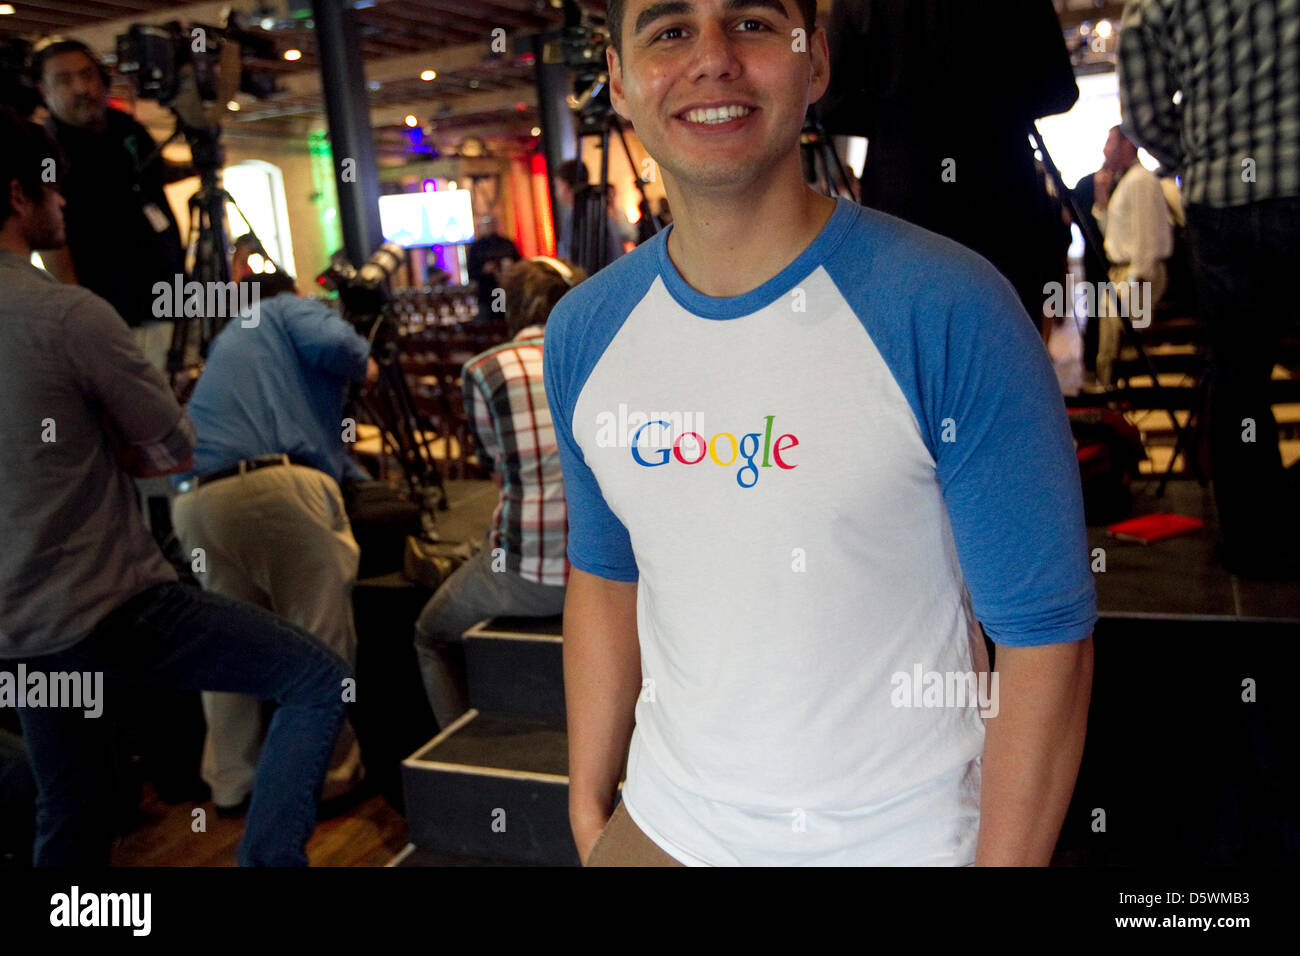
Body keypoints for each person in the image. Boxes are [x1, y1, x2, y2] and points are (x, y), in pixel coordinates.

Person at [544, 0, 1095, 867]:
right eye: (670, 30)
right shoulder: (585, 332)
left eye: (753, 24)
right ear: (618, 79)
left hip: (902, 844)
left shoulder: (950, 307)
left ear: (819, 63)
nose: (713, 59)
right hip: (659, 829)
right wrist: (587, 805)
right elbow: (605, 578)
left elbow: (1044, 638)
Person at [0, 106, 349, 866]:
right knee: (315, 677)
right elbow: (170, 448)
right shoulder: (66, 315)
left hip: (20, 632)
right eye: (55, 190)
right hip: (110, 606)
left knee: (75, 812)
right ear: (18, 197)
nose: (66, 205)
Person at [170, 271, 378, 816]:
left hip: (196, 502)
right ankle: (329, 779)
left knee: (230, 649)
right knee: (321, 633)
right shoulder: (284, 309)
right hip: (270, 491)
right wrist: (368, 363)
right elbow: (338, 345)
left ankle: (233, 782)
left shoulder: (229, 341)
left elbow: (296, 427)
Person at [1119, 0, 1300, 579]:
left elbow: (1144, 114)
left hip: (1221, 199)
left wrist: (1201, 157)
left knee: (1238, 377)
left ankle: (1253, 547)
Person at [817, 0, 1079, 326]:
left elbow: (834, 106)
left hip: (900, 195)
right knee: (1006, 344)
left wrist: (895, 119)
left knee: (911, 348)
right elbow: (1059, 89)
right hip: (1000, 190)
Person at [413, 256, 583, 728]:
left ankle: (460, 745)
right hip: (604, 571)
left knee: (427, 634)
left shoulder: (485, 370)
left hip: (531, 575)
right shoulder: (598, 352)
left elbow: (496, 475)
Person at [31, 37, 190, 372]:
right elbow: (50, 237)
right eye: (64, 80)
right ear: (44, 93)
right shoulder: (47, 149)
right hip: (117, 316)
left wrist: (196, 164)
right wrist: (77, 312)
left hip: (174, 299)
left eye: (88, 75)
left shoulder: (126, 127)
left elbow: (153, 171)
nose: (82, 88)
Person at [1091, 126, 1174, 388]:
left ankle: (1116, 395)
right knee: (1109, 345)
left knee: (1120, 346)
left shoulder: (1140, 180)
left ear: (1127, 144)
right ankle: (1110, 393)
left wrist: (1133, 286)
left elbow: (1145, 240)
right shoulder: (1126, 180)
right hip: (1123, 272)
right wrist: (1101, 195)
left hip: (1135, 275)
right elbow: (1114, 236)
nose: (1105, 148)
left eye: (1110, 141)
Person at [465, 215, 521, 323]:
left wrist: (510, 267)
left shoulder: (506, 244)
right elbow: (471, 273)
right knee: (489, 324)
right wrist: (484, 270)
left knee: (507, 321)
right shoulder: (476, 247)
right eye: (486, 225)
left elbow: (520, 265)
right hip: (486, 293)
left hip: (507, 291)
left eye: (491, 224)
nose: (489, 227)